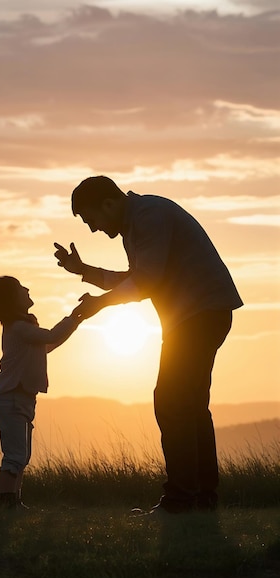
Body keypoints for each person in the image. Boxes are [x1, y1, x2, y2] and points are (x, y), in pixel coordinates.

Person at [54, 175, 243, 514]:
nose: (93, 229)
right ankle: (201, 497)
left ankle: (180, 499)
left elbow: (146, 282)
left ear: (109, 204)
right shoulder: (138, 220)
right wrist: (84, 270)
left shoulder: (148, 216)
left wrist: (100, 302)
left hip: (198, 315)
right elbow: (135, 279)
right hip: (199, 315)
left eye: (90, 219)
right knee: (190, 406)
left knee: (171, 401)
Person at [0, 275, 83, 509]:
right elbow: (50, 337)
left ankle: (13, 502)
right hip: (13, 399)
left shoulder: (21, 329)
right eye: (20, 288)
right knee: (15, 456)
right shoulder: (19, 328)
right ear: (11, 300)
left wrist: (74, 322)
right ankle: (8, 504)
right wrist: (75, 318)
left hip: (19, 399)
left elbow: (47, 345)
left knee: (21, 455)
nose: (26, 288)